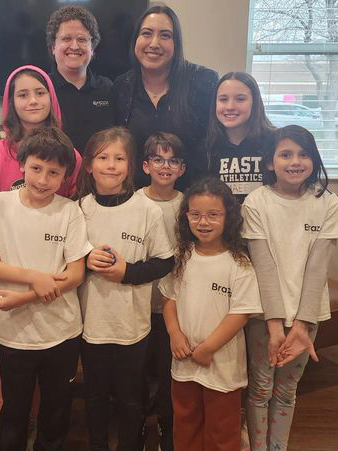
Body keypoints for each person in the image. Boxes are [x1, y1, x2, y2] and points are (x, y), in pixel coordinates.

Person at [0, 126, 92, 451]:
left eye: (54, 173)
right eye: (36, 168)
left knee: (56, 410)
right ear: (23, 164)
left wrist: (26, 293)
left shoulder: (70, 212)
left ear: (66, 176)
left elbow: (76, 273)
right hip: (13, 333)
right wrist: (34, 276)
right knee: (14, 411)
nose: (42, 179)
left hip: (62, 331)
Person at [242, 125, 338, 450]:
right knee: (260, 389)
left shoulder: (328, 203)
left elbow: (318, 268)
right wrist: (275, 326)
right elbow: (264, 265)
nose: (295, 161)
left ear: (314, 160)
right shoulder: (256, 202)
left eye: (303, 154)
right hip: (264, 315)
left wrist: (302, 325)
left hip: (307, 316)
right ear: (271, 162)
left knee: (286, 391)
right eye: (285, 154)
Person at [77, 126, 174, 450]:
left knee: (131, 398)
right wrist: (86, 260)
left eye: (119, 158)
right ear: (89, 165)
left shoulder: (146, 210)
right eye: (103, 157)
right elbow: (66, 261)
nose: (111, 164)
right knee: (95, 396)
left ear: (131, 166)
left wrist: (127, 272)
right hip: (91, 325)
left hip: (133, 326)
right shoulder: (80, 209)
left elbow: (164, 261)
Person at [159, 177, 262, 451]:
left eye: (213, 215)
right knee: (185, 423)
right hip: (184, 363)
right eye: (196, 215)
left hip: (222, 366)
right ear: (186, 217)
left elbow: (241, 314)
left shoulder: (239, 263)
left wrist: (208, 348)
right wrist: (174, 334)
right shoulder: (182, 256)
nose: (204, 222)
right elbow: (168, 297)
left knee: (221, 431)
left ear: (228, 217)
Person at [0, 65, 82, 295]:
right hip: (5, 280)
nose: (32, 101)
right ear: (11, 102)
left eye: (40, 93)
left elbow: (78, 214)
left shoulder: (72, 156)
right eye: (22, 94)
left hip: (55, 283)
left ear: (51, 97)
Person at [110, 4, 218, 190]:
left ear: (176, 43)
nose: (154, 43)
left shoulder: (203, 82)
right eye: (146, 33)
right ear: (135, 40)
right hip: (136, 201)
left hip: (192, 203)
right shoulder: (121, 87)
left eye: (165, 35)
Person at [135, 132, 185, 450]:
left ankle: (168, 425)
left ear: (182, 168)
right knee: (138, 372)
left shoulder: (187, 203)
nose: (165, 166)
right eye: (158, 159)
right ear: (145, 165)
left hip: (175, 304)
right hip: (138, 302)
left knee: (169, 371)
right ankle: (138, 422)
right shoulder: (134, 201)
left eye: (173, 160)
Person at [46, 5, 114, 154]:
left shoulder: (108, 89)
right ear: (53, 46)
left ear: (93, 48)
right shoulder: (42, 89)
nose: (75, 46)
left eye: (82, 39)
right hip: (55, 175)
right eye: (66, 39)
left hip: (97, 175)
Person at [206, 71, 276, 203]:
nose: (230, 107)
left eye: (240, 99)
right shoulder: (205, 147)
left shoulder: (275, 143)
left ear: (254, 103)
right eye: (223, 99)